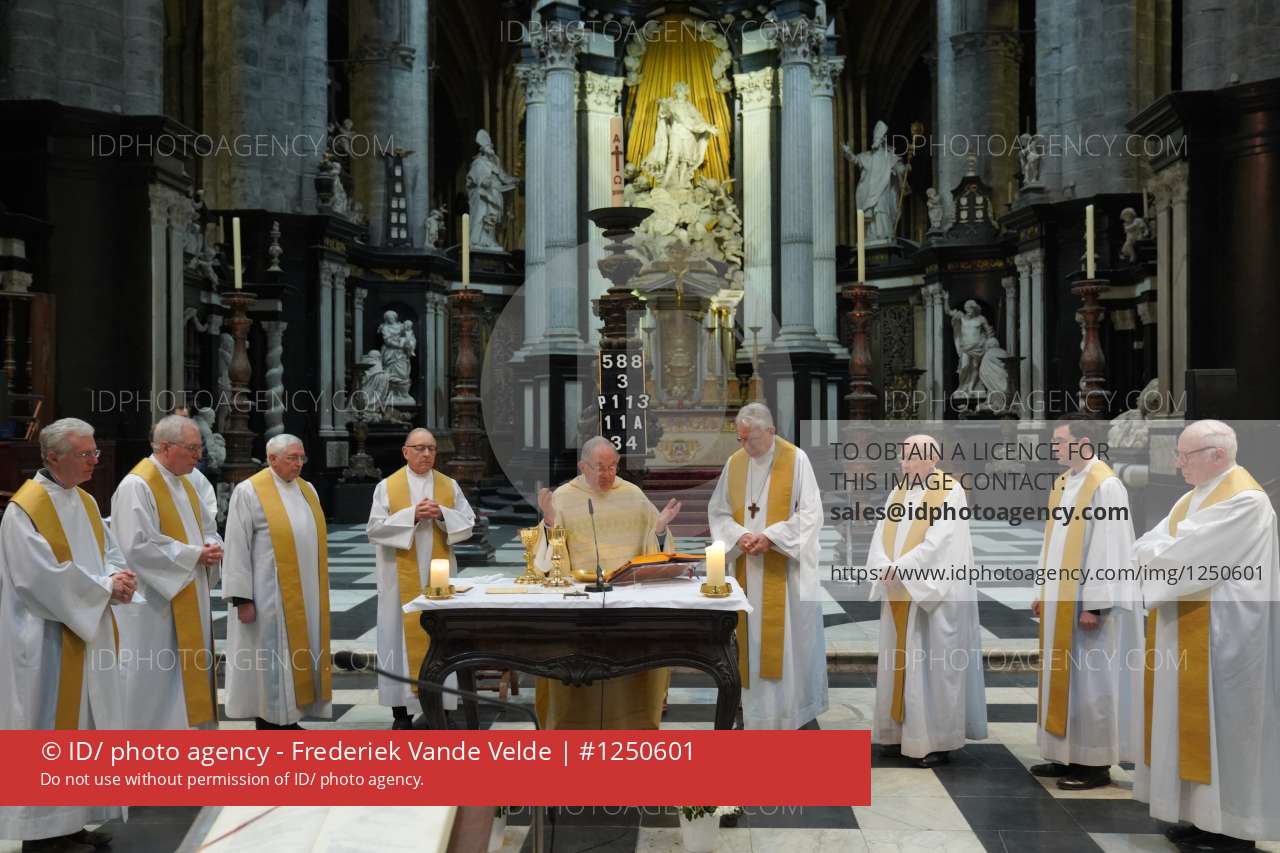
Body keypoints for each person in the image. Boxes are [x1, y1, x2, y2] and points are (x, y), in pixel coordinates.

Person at [1131, 420, 1280, 853]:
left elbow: (1182, 556)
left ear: (1216, 455)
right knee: (1192, 729)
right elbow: (1150, 543)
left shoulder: (1245, 500)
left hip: (1226, 636)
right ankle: (1203, 819)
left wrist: (1156, 553)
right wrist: (1157, 552)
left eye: (1185, 455)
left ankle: (1234, 829)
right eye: (1178, 454)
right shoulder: (1193, 497)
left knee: (1228, 729)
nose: (1178, 463)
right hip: (1190, 623)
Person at [0, 419, 139, 853]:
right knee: (45, 728)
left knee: (84, 729)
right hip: (45, 639)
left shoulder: (84, 500)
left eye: (94, 451)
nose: (95, 460)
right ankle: (41, 835)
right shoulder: (25, 509)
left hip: (86, 630)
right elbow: (37, 578)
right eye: (85, 454)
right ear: (53, 457)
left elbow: (108, 551)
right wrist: (104, 587)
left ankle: (72, 821)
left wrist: (119, 576)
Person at [534, 436, 680, 728]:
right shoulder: (564, 497)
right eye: (600, 467)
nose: (607, 474)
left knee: (629, 671)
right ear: (582, 467)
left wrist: (660, 529)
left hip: (627, 602)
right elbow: (547, 565)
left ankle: (632, 730)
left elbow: (656, 550)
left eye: (613, 467)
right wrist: (549, 523)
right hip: (579, 604)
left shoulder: (633, 495)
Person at [1030, 414, 1141, 790]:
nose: (1055, 448)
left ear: (1084, 443)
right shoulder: (1064, 482)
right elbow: (1052, 541)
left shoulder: (1105, 485)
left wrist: (1095, 604)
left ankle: (1093, 763)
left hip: (1089, 606)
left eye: (1060, 441)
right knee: (1066, 679)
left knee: (1092, 681)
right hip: (1061, 600)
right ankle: (1065, 753)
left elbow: (1109, 549)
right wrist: (1042, 590)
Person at [864, 434, 987, 767]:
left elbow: (941, 544)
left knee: (933, 669)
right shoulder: (899, 490)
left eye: (911, 458)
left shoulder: (950, 491)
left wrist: (899, 568)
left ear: (932, 460)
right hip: (900, 588)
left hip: (933, 595)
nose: (903, 464)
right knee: (900, 664)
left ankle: (936, 741)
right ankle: (897, 733)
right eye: (902, 456)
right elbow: (881, 534)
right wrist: (883, 565)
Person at [707, 403, 828, 729]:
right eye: (741, 439)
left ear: (771, 431)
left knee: (789, 647)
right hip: (748, 569)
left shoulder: (796, 460)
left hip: (786, 573)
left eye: (752, 439)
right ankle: (752, 711)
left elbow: (811, 514)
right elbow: (718, 512)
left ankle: (791, 712)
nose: (746, 446)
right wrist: (741, 535)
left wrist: (772, 538)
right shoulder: (735, 463)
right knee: (750, 644)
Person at [111, 414, 223, 729]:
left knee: (185, 675)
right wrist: (194, 554)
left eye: (199, 448)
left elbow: (207, 528)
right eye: (192, 448)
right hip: (155, 603)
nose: (199, 455)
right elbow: (136, 545)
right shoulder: (137, 485)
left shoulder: (185, 482)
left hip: (188, 591)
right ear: (165, 447)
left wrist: (212, 546)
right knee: (154, 679)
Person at [366, 428, 475, 729]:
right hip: (398, 579)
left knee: (440, 639)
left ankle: (443, 711)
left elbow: (468, 523)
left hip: (440, 579)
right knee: (398, 640)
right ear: (405, 452)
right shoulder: (387, 487)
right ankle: (401, 714)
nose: (426, 454)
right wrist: (411, 515)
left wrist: (442, 515)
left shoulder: (448, 485)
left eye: (431, 448)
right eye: (419, 448)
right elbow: (374, 530)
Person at [221, 434, 332, 730]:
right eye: (292, 458)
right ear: (272, 459)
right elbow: (236, 545)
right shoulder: (250, 491)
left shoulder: (307, 489)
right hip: (267, 594)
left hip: (305, 592)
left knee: (299, 657)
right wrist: (241, 598)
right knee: (270, 661)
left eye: (301, 457)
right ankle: (270, 723)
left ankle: (291, 718)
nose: (299, 464)